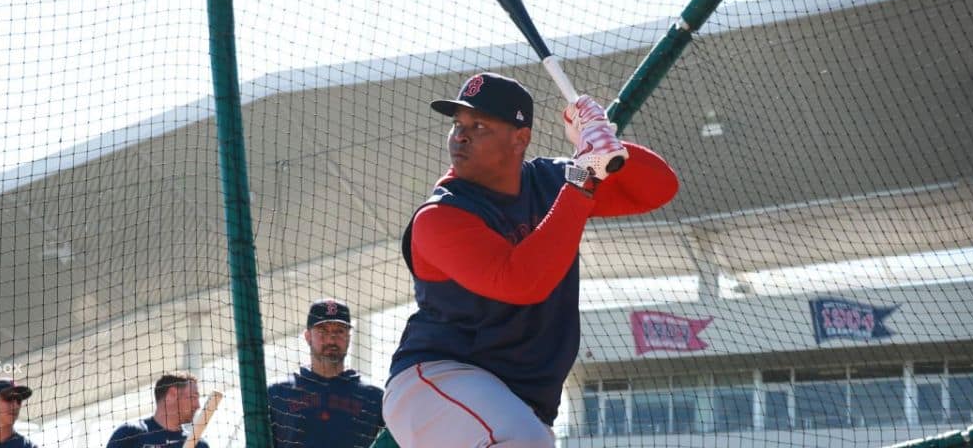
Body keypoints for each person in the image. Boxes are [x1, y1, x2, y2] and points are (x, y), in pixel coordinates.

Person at [383, 72, 679, 447]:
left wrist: (606, 141)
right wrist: (584, 178)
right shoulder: (441, 215)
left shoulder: (550, 180)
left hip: (518, 402)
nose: (460, 135)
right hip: (440, 381)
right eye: (458, 124)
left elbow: (659, 187)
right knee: (520, 440)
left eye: (479, 126)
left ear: (520, 139)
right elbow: (521, 283)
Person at [268, 299, 385, 448]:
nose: (331, 339)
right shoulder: (278, 393)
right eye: (323, 331)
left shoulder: (374, 396)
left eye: (339, 331)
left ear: (349, 337)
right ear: (308, 336)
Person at [106, 372, 209, 448]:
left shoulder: (199, 445)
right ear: (172, 394)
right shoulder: (129, 434)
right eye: (193, 397)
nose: (198, 405)